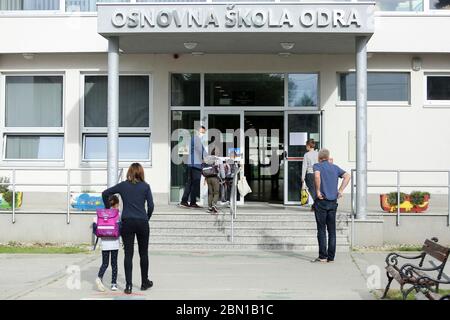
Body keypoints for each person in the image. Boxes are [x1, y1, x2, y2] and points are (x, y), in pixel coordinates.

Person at [102, 163, 154, 295]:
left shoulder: (123, 185)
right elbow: (151, 206)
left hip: (127, 222)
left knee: (128, 254)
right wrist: (146, 218)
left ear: (130, 172)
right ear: (141, 172)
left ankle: (128, 286)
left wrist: (108, 210)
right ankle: (144, 282)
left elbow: (105, 193)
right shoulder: (146, 186)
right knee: (143, 253)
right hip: (142, 222)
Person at [311, 149, 350, 263]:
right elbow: (347, 176)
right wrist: (341, 190)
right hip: (333, 202)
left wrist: (318, 191)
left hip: (322, 202)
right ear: (328, 157)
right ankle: (331, 257)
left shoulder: (317, 166)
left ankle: (323, 256)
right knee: (332, 231)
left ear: (319, 157)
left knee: (321, 230)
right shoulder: (335, 167)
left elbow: (317, 177)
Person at [95, 195, 120, 292]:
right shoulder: (118, 213)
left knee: (105, 263)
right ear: (116, 204)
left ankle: (99, 278)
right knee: (114, 264)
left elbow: (95, 225)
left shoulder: (101, 213)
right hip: (114, 243)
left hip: (105, 243)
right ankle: (113, 284)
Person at [179, 126, 207, 209]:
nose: (203, 134)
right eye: (202, 132)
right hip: (195, 165)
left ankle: (184, 201)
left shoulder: (193, 139)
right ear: (198, 131)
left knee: (190, 183)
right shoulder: (196, 138)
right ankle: (192, 202)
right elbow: (200, 150)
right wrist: (207, 157)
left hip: (191, 164)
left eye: (204, 132)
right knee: (195, 184)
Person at [301, 139, 319, 209]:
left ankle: (316, 205)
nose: (306, 147)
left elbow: (304, 166)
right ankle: (315, 205)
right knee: (317, 189)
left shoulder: (306, 155)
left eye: (306, 145)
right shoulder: (318, 153)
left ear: (308, 146)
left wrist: (303, 177)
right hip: (317, 174)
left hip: (310, 174)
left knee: (312, 190)